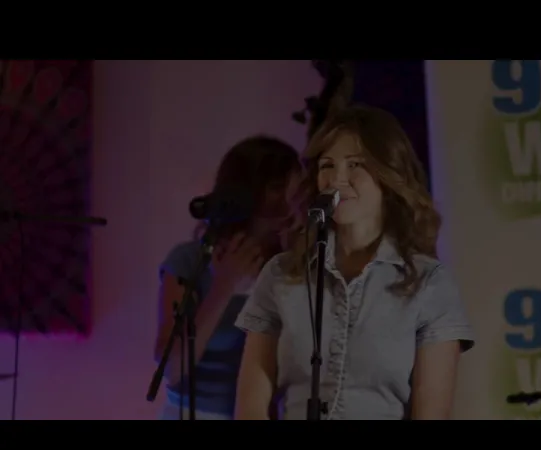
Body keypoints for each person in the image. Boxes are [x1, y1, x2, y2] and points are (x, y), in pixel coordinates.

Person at [234, 105, 475, 420]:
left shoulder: (429, 282)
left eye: (355, 165)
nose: (337, 179)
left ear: (388, 174)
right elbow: (250, 408)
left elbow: (431, 414)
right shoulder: (281, 274)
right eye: (327, 165)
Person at [155, 135, 304, 420]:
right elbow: (171, 368)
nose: (287, 201)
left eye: (294, 188)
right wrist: (224, 287)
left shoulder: (294, 263)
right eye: (276, 188)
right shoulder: (190, 261)